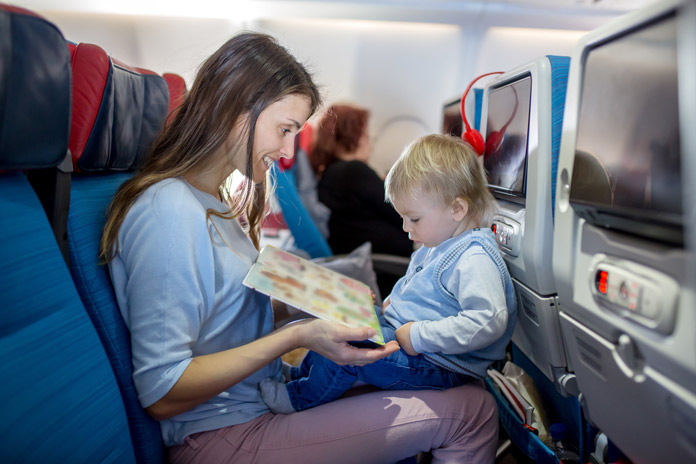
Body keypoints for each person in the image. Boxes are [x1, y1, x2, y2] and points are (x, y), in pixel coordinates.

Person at [101, 33, 499, 464]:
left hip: (258, 396)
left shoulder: (213, 202)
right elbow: (162, 392)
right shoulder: (169, 211)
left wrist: (315, 304)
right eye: (285, 129)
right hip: (224, 436)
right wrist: (296, 335)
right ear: (236, 110)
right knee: (473, 411)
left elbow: (218, 320)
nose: (290, 150)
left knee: (440, 386)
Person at [260, 133, 517, 416]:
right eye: (403, 218)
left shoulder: (473, 258)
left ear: (457, 208)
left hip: (439, 365)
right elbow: (419, 286)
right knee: (345, 321)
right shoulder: (441, 243)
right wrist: (393, 301)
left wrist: (419, 336)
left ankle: (298, 398)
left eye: (414, 219)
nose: (406, 228)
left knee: (351, 348)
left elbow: (487, 321)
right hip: (413, 339)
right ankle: (300, 375)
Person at [311, 103, 414, 257]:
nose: (370, 143)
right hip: (382, 267)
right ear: (352, 138)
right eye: (365, 135)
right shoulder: (354, 171)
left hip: (365, 259)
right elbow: (402, 213)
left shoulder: (332, 172)